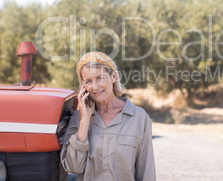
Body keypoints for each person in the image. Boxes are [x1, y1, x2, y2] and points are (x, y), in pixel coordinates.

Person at [61, 52, 156, 181]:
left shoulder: (139, 117)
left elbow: (146, 172)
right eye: (88, 81)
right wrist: (85, 121)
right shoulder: (78, 118)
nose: (95, 87)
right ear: (83, 86)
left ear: (113, 77)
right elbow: (73, 168)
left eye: (100, 78)